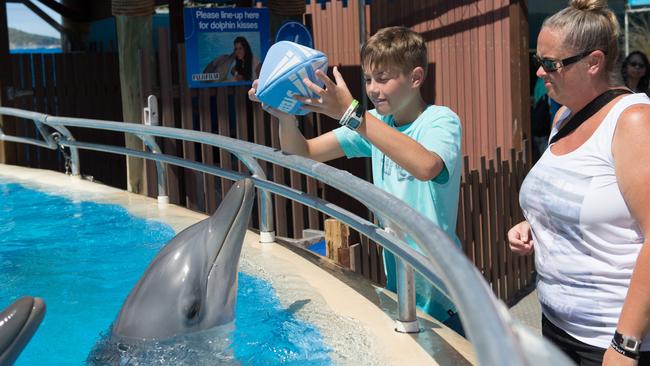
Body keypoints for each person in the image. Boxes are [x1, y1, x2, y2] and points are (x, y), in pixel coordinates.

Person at [248, 26, 463, 333]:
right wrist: (284, 114)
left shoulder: (440, 120)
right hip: (402, 287)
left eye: (383, 78)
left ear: (415, 78)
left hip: (445, 296)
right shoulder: (373, 124)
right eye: (368, 79)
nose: (373, 89)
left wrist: (353, 115)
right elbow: (304, 151)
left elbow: (426, 166)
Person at [507, 1, 650, 365]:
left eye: (550, 63)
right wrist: (537, 222)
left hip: (609, 341)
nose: (540, 72)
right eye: (538, 60)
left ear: (594, 62)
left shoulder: (632, 122)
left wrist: (624, 346)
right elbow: (589, 200)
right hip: (558, 327)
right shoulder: (565, 117)